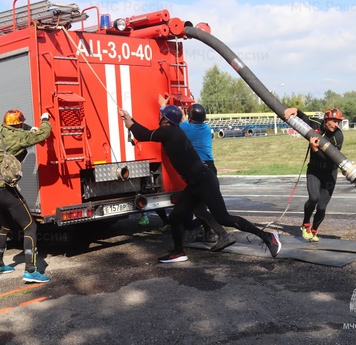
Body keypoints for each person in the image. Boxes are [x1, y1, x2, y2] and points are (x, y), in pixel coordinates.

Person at [119, 104, 281, 263]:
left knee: (223, 217)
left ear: (166, 120)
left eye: (161, 116)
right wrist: (131, 120)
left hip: (204, 180)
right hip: (196, 182)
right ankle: (178, 252)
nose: (159, 119)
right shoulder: (173, 130)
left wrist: (130, 122)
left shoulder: (169, 131)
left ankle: (268, 237)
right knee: (175, 217)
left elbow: (144, 135)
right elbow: (146, 133)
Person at [0, 109, 52, 282]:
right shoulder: (19, 138)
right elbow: (44, 134)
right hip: (4, 189)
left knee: (5, 226)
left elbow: (20, 130)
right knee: (30, 227)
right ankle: (31, 271)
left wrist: (29, 128)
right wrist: (45, 120)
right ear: (19, 124)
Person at [179, 103, 236, 251]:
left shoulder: (186, 127)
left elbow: (175, 126)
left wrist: (164, 108)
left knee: (199, 209)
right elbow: (187, 123)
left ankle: (222, 234)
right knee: (201, 207)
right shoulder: (205, 128)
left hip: (199, 170)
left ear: (190, 118)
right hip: (210, 168)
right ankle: (210, 233)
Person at [283, 107, 345, 242]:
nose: (336, 125)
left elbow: (330, 158)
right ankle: (305, 224)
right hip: (314, 171)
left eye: (338, 122)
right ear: (326, 119)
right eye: (334, 121)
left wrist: (315, 149)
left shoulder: (338, 136)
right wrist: (296, 110)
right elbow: (304, 118)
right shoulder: (316, 124)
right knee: (313, 198)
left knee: (322, 206)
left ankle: (314, 230)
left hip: (329, 173)